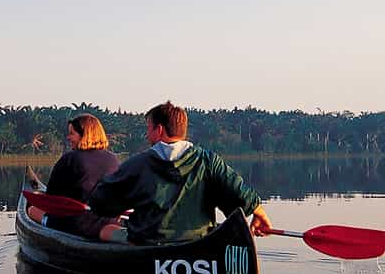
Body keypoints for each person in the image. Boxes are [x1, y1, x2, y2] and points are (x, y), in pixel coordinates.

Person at [89, 101, 272, 244]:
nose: (147, 135)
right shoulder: (209, 161)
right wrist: (260, 213)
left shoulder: (137, 164)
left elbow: (100, 202)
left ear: (159, 130)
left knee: (108, 230)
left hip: (148, 242)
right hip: (198, 243)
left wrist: (113, 206)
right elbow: (239, 193)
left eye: (149, 129)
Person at [27, 114, 121, 239]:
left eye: (72, 133)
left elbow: (51, 198)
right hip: (109, 221)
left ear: (84, 135)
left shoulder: (70, 158)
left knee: (32, 210)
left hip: (78, 225)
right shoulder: (113, 159)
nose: (68, 137)